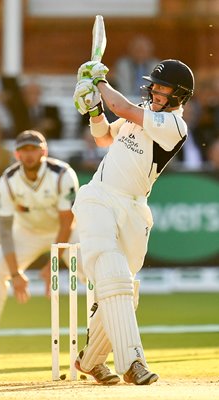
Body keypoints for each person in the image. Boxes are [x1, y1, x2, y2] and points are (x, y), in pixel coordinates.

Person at [72, 58, 194, 385]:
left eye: (163, 87)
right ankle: (133, 362)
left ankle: (90, 360)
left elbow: (121, 106)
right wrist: (94, 112)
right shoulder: (142, 111)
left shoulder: (174, 126)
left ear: (179, 95)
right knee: (112, 272)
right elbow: (103, 138)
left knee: (124, 289)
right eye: (154, 85)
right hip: (98, 196)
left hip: (134, 209)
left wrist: (98, 82)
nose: (155, 91)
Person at [0, 130, 83, 354]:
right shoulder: (8, 181)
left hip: (64, 232)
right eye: (24, 150)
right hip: (27, 233)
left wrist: (53, 263)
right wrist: (14, 273)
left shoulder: (62, 174)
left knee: (90, 270)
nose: (29, 155)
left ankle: (102, 335)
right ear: (17, 154)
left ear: (44, 151)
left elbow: (67, 220)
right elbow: (4, 229)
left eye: (33, 149)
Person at [113, 35, 159, 101]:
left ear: (149, 52)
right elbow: (124, 88)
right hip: (128, 100)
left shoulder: (156, 65)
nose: (140, 53)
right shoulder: (123, 65)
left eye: (143, 50)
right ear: (131, 51)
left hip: (149, 102)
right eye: (137, 50)